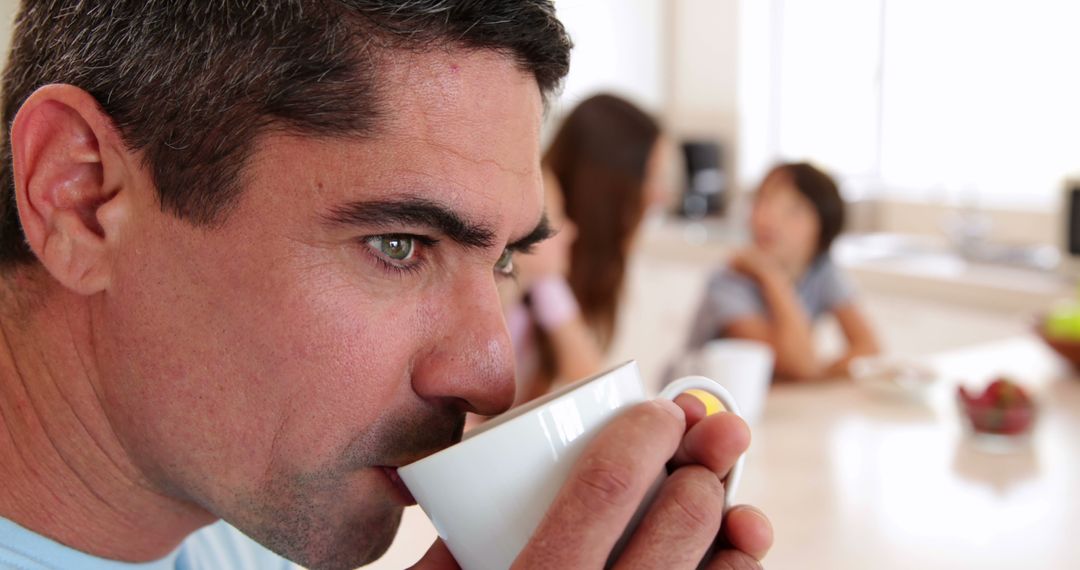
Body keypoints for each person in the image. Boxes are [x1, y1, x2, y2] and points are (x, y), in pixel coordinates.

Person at [0, 2, 772, 570]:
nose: (491, 381)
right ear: (80, 197)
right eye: (399, 245)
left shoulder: (232, 508)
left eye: (503, 259)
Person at [508, 94, 669, 402]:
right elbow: (591, 378)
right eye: (650, 176)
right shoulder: (524, 263)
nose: (659, 195)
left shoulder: (576, 266)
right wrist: (544, 268)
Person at [684, 162, 880, 380]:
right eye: (763, 201)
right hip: (697, 402)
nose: (768, 218)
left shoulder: (822, 270)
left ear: (822, 227)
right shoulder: (728, 281)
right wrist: (771, 276)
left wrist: (819, 372)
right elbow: (796, 364)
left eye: (792, 210)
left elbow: (870, 349)